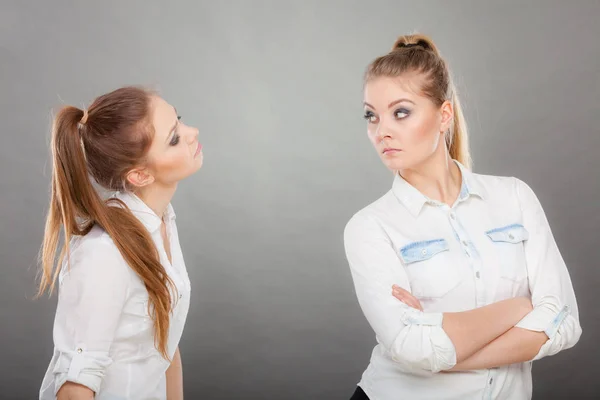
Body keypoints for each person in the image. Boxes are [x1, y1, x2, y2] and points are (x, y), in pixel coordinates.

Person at [343, 34, 582, 400]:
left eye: (401, 112)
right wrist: (519, 308)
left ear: (444, 115)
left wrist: (444, 348)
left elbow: (563, 323)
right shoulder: (369, 227)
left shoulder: (514, 197)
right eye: (371, 116)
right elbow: (413, 348)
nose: (382, 131)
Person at [37, 86, 202, 399]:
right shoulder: (104, 254)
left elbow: (164, 343)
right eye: (174, 138)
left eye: (179, 121)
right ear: (140, 176)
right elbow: (75, 389)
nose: (192, 132)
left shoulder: (162, 222)